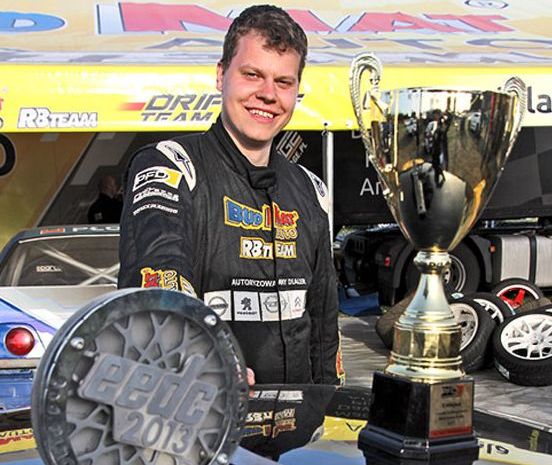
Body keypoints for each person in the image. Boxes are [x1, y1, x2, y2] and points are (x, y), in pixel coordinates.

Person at [118, 4, 343, 385]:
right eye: (252, 75)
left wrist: (329, 405)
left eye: (283, 82)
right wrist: (203, 360)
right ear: (221, 75)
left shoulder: (310, 190)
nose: (268, 94)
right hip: (197, 411)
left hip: (296, 420)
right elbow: (158, 272)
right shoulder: (172, 165)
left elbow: (323, 329)